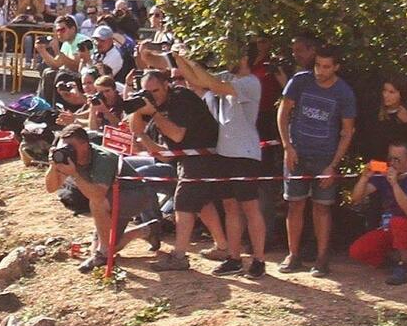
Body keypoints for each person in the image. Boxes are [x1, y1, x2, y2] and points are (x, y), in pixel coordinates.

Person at [174, 46, 268, 278]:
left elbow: (212, 84)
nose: (226, 60)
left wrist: (189, 58)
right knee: (230, 208)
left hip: (245, 154)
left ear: (245, 57)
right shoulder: (228, 77)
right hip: (224, 153)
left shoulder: (250, 82)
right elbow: (197, 81)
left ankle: (258, 259)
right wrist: (179, 58)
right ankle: (234, 258)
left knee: (250, 208)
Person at [130, 69, 227, 272]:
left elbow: (177, 135)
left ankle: (179, 256)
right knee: (203, 204)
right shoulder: (155, 104)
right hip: (186, 157)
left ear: (167, 85)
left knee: (183, 202)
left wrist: (153, 113)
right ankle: (222, 247)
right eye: (146, 92)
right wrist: (136, 109)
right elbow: (136, 130)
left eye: (155, 91)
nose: (152, 96)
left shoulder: (181, 98)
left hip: (202, 156)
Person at [277, 45, 356, 277]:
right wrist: (287, 146)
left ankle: (322, 259)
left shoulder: (344, 92)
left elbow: (347, 131)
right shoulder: (300, 81)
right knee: (294, 204)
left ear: (336, 67)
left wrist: (333, 164)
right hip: (297, 152)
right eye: (318, 65)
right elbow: (283, 111)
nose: (320, 71)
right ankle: (293, 255)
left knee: (322, 208)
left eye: (326, 67)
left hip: (325, 156)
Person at [44, 126, 164, 272]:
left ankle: (104, 253)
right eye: (64, 146)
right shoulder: (70, 158)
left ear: (85, 145)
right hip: (114, 198)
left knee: (97, 205)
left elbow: (98, 196)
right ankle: (146, 230)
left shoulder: (103, 158)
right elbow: (51, 188)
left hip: (136, 196)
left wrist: (75, 174)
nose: (67, 150)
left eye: (71, 146)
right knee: (101, 248)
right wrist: (53, 166)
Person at [348, 142, 407, 285]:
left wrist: (395, 184)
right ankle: (393, 260)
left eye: (397, 159)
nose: (392, 163)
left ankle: (405, 266)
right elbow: (355, 198)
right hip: (391, 228)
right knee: (357, 250)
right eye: (390, 159)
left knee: (398, 222)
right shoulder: (382, 178)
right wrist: (365, 177)